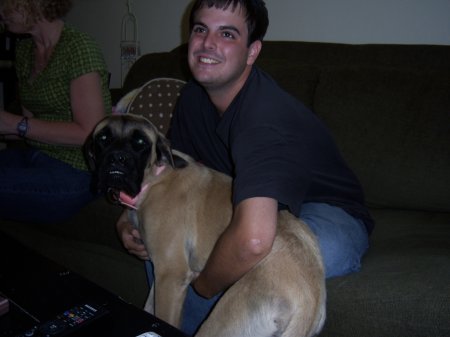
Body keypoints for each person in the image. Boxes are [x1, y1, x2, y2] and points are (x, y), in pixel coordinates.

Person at [116, 0, 374, 335]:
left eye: (227, 34)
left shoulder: (264, 116)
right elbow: (166, 181)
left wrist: (202, 286)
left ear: (252, 52)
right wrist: (128, 218)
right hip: (256, 205)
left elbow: (253, 240)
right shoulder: (193, 98)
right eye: (200, 29)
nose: (208, 43)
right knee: (173, 237)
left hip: (329, 212)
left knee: (268, 258)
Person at [0, 0, 111, 223]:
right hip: (36, 156)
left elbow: (89, 132)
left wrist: (14, 124)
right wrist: (10, 125)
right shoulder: (24, 51)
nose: (1, 10)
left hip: (79, 170)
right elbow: (28, 124)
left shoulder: (78, 47)